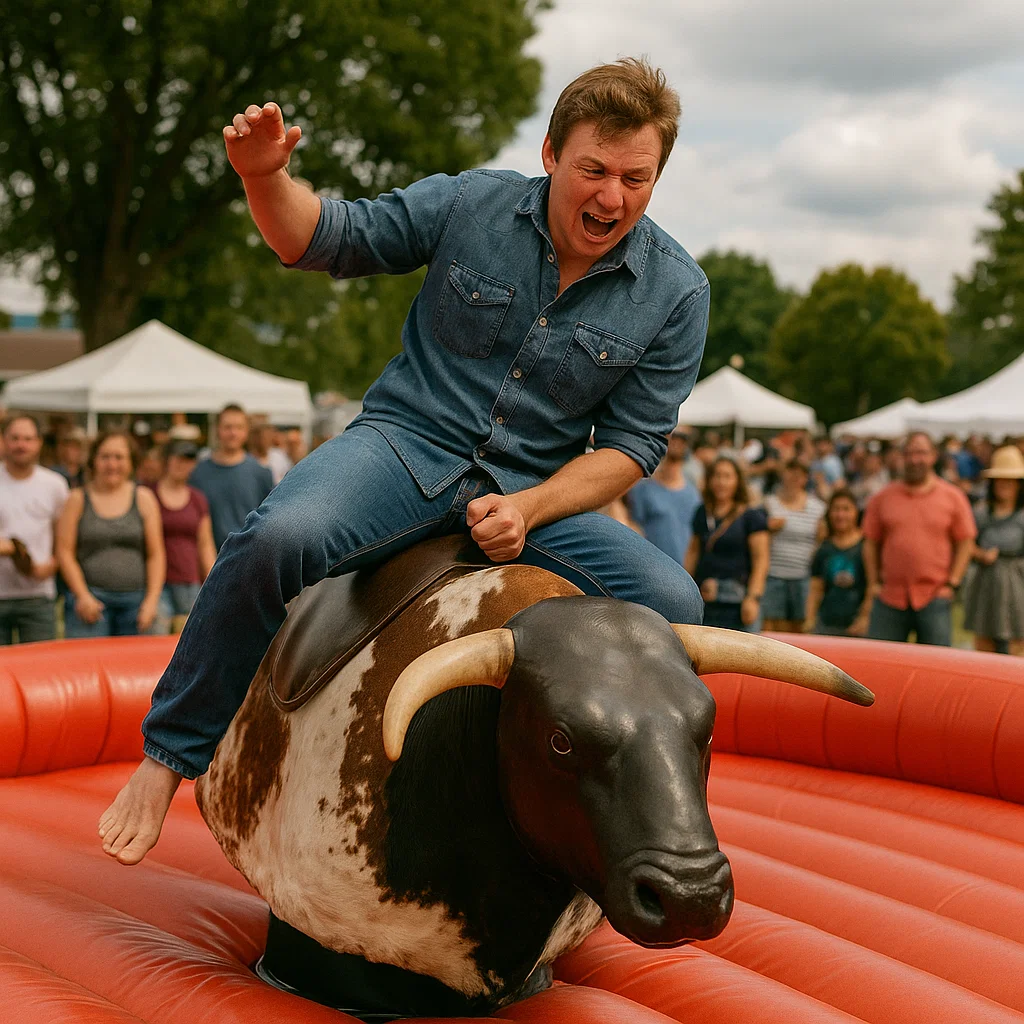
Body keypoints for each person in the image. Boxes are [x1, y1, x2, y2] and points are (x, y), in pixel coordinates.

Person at [99, 59, 712, 865]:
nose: (612, 197)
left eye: (637, 178)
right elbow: (323, 236)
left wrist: (531, 509)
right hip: (403, 448)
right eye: (594, 170)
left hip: (528, 498)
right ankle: (167, 757)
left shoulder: (678, 291)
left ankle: (642, 826)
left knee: (678, 606)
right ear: (552, 153)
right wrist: (262, 178)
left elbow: (634, 446)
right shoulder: (471, 203)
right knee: (280, 538)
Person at [862, 432, 976, 646]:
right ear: (902, 457)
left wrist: (952, 584)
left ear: (933, 456)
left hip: (934, 597)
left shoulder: (953, 497)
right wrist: (873, 583)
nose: (915, 459)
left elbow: (966, 542)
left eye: (921, 453)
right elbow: (870, 542)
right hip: (890, 597)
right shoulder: (882, 498)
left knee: (937, 668)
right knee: (882, 665)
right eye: (909, 453)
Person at [56, 431, 166, 638]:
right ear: (94, 460)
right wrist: (82, 596)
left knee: (137, 669)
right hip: (91, 604)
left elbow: (156, 554)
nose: (112, 464)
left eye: (119, 457)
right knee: (86, 667)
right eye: (105, 457)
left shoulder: (144, 498)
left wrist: (151, 602)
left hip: (136, 603)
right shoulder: (77, 499)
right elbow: (64, 552)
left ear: (131, 462)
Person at [0, 415, 69, 643]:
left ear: (39, 443)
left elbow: (64, 537)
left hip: (39, 596)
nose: (22, 445)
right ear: (3, 440)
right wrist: (11, 548)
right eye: (15, 438)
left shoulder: (55, 484)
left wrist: (52, 565)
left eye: (28, 439)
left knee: (42, 671)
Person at [685, 456, 769, 632]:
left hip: (737, 599)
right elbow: (693, 552)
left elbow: (761, 560)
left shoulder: (751, 516)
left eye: (727, 476)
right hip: (706, 598)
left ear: (737, 481)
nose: (721, 482)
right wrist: (685, 589)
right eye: (717, 476)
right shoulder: (702, 512)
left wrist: (753, 598)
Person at [961, 446, 1024, 656]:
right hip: (987, 584)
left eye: (1009, 480)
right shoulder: (981, 513)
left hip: (1017, 584)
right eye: (1000, 479)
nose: (1004, 484)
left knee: (1017, 641)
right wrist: (980, 554)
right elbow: (966, 543)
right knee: (985, 643)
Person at [189, 405, 274, 551]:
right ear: (217, 430)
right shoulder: (198, 473)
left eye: (239, 427)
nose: (233, 433)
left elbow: (268, 522)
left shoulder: (261, 473)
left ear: (246, 431)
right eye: (227, 427)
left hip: (247, 557)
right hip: (207, 560)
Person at [153, 441, 217, 634]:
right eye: (177, 459)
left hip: (189, 581)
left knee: (189, 640)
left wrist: (214, 582)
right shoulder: (148, 494)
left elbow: (205, 545)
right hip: (158, 583)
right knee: (156, 638)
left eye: (188, 461)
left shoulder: (197, 499)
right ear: (167, 460)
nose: (182, 465)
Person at [762, 460, 826, 632]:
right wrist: (768, 527)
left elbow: (821, 542)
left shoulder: (818, 508)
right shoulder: (769, 503)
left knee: (801, 627)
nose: (794, 478)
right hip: (773, 575)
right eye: (791, 472)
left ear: (806, 478)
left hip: (804, 576)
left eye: (800, 474)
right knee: (771, 628)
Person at [625, 431, 703, 564]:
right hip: (652, 567)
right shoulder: (642, 488)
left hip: (684, 572)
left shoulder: (694, 494)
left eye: (682, 440)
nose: (676, 443)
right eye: (673, 438)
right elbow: (634, 526)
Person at [804, 488, 870, 636]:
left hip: (857, 628)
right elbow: (815, 589)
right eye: (836, 509)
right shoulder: (824, 549)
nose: (841, 515)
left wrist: (864, 617)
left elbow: (873, 587)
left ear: (856, 512)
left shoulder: (866, 547)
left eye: (846, 509)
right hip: (826, 625)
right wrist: (809, 621)